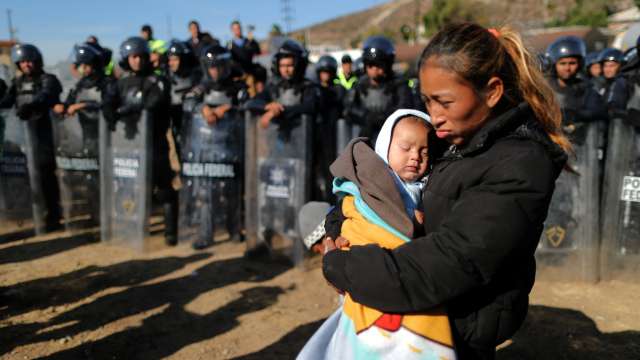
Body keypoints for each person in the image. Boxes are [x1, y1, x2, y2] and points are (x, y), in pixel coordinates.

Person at [319, 23, 571, 359]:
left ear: (492, 92)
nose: (434, 117)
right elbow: (370, 196)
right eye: (426, 101)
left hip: (462, 326)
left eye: (444, 102)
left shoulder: (520, 163)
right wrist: (337, 232)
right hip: (421, 320)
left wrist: (343, 267)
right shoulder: (456, 142)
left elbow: (447, 263)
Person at [299, 109, 457, 359]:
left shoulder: (430, 189)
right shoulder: (368, 183)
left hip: (401, 274)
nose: (415, 157)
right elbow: (341, 212)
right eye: (405, 148)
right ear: (385, 145)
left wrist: (421, 223)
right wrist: (334, 236)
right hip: (363, 265)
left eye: (424, 152)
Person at [103, 36, 178, 245]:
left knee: (164, 189)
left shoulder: (158, 81)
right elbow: (108, 102)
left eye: (140, 56)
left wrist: (127, 110)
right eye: (132, 57)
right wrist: (109, 111)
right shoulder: (120, 84)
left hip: (155, 144)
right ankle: (134, 226)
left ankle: (171, 231)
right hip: (129, 146)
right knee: (131, 188)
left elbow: (153, 102)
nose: (136, 61)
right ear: (127, 59)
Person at [184, 44, 248, 249]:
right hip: (206, 149)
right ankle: (206, 233)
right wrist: (203, 108)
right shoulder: (201, 89)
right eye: (211, 67)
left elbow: (247, 106)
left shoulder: (237, 89)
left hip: (231, 149)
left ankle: (233, 228)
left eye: (218, 66)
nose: (215, 71)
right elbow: (187, 102)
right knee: (206, 192)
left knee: (232, 190)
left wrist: (227, 109)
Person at [0, 43, 63, 232]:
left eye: (29, 61)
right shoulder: (17, 83)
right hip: (22, 138)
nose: (26, 65)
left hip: (44, 137)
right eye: (22, 62)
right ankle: (32, 213)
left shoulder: (48, 79)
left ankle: (53, 215)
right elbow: (7, 102)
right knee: (25, 177)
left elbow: (46, 95)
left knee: (46, 177)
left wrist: (32, 106)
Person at [343, 36, 413, 142]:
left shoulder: (399, 84)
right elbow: (349, 108)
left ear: (387, 65)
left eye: (379, 64)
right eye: (371, 65)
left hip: (393, 138)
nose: (374, 69)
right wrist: (366, 117)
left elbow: (404, 108)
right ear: (365, 65)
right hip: (363, 139)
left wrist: (384, 118)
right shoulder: (359, 85)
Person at [256, 39, 317, 131]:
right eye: (282, 66)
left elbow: (309, 107)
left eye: (290, 65)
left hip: (303, 137)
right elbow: (252, 102)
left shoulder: (308, 86)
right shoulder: (274, 86)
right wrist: (267, 106)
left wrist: (280, 110)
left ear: (298, 65)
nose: (285, 70)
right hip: (279, 138)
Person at [314, 55, 344, 200]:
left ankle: (330, 199)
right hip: (316, 134)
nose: (325, 75)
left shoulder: (338, 90)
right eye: (323, 72)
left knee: (329, 170)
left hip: (332, 135)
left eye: (328, 72)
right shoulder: (314, 90)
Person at [166, 40, 201, 145]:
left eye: (175, 59)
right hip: (176, 123)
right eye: (170, 60)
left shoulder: (196, 76)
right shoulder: (166, 79)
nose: (171, 63)